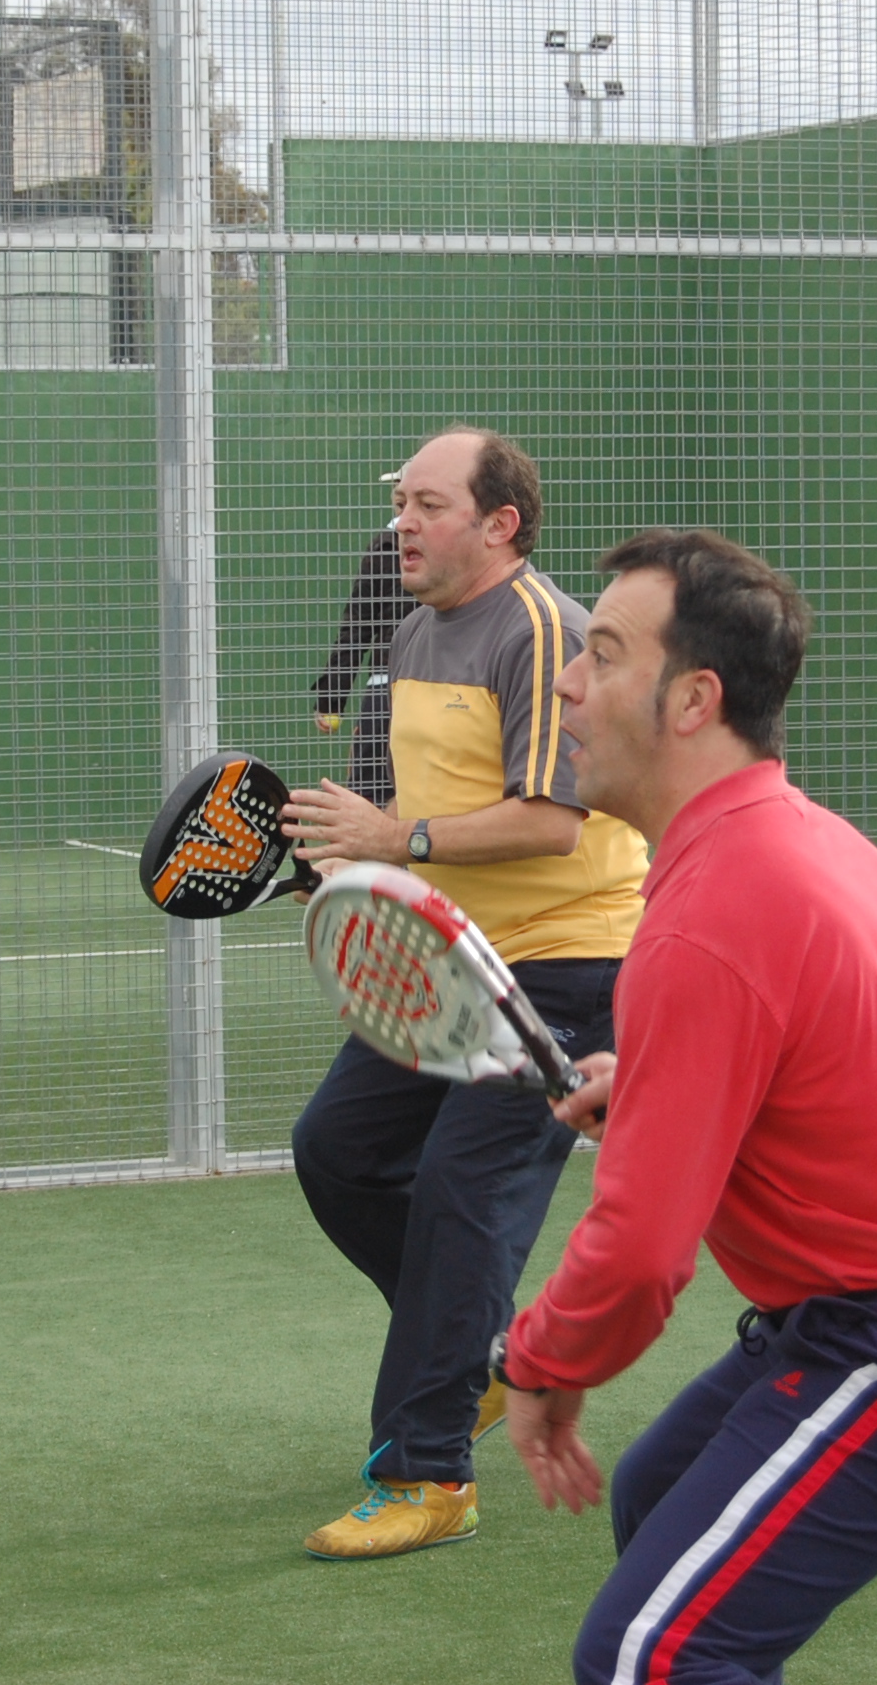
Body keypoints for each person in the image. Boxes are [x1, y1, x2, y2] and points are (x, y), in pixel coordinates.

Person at [498, 528, 877, 1685]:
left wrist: (536, 1359)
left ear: (692, 699)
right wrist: (649, 1087)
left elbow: (639, 1254)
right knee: (658, 1494)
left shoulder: (714, 909)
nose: (564, 682)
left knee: (652, 1655)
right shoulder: (798, 842)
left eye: (600, 653)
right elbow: (841, 1077)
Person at [278, 426, 649, 1560]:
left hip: (569, 963)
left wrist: (397, 837)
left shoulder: (546, 631)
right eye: (401, 501)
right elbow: (427, 814)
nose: (402, 521)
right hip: (452, 953)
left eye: (427, 504)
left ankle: (429, 1470)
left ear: (500, 524)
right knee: (336, 1150)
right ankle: (481, 1355)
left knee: (459, 1193)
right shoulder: (412, 629)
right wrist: (354, 857)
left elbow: (550, 820)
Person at [310, 502, 409, 810]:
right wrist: (331, 697)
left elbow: (357, 625)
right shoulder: (388, 548)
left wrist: (330, 700)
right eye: (402, 500)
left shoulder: (385, 547)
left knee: (371, 802)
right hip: (403, 687)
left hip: (395, 690)